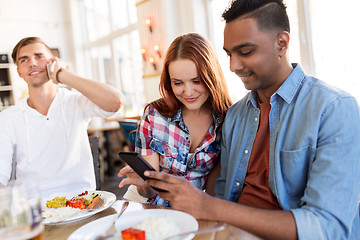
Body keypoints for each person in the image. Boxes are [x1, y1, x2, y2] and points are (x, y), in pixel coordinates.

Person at [142, 1, 360, 239]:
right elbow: (223, 194)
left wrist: (207, 205)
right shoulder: (235, 115)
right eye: (229, 54)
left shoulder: (333, 109)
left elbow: (327, 227)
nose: (233, 66)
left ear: (282, 43)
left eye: (245, 52)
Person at [0, 37, 125, 198]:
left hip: (81, 203)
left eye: (39, 56)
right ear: (19, 71)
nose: (32, 63)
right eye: (24, 60)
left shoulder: (75, 102)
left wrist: (62, 75)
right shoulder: (8, 118)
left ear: (53, 61)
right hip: (36, 212)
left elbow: (115, 102)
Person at [118, 33, 232, 206]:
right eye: (178, 83)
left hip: (192, 209)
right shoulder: (154, 115)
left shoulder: (226, 121)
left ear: (211, 77)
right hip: (145, 203)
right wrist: (144, 184)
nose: (188, 92)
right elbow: (148, 190)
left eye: (196, 81)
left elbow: (214, 191)